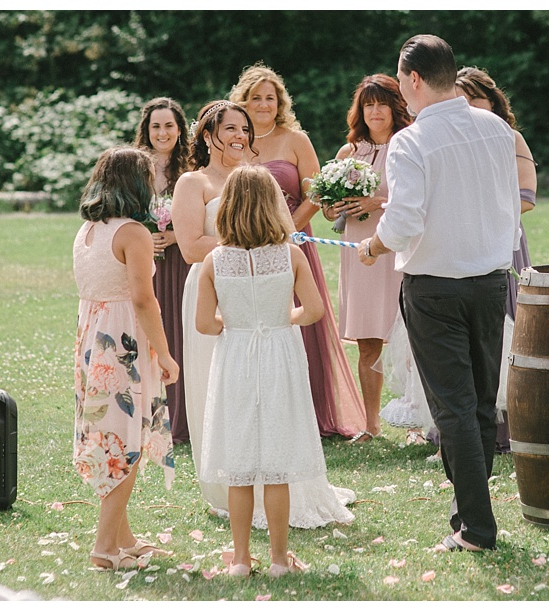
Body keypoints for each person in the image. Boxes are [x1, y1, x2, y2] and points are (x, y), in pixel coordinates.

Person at [358, 34, 520, 553]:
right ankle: (471, 517)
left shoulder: (410, 142)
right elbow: (511, 202)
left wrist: (373, 247)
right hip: (493, 281)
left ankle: (475, 527)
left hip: (435, 288)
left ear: (413, 80)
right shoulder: (495, 127)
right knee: (476, 406)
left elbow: (403, 220)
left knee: (454, 409)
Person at [175, 100, 355, 529]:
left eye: (244, 130)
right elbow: (189, 247)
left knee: (271, 393)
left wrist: (259, 258)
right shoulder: (192, 182)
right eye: (230, 129)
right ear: (206, 135)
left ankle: (280, 483)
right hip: (214, 289)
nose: (240, 136)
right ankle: (228, 484)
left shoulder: (261, 181)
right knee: (217, 388)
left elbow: (281, 234)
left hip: (264, 294)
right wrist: (243, 253)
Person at [194, 165, 334, 578]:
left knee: (240, 466)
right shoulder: (290, 255)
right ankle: (277, 560)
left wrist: (233, 324)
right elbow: (314, 310)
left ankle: (239, 560)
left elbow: (204, 323)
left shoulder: (214, 261)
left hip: (236, 356)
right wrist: (280, 318)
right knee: (276, 464)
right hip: (279, 356)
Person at [228, 64, 369, 439]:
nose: (262, 105)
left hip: (291, 241)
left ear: (280, 103)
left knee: (299, 318)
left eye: (269, 98)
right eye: (255, 98)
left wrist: (285, 229)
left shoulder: (295, 140)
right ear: (242, 101)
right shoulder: (234, 141)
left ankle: (309, 411)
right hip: (244, 244)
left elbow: (315, 192)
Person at [71, 146, 179, 570]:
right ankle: (104, 549)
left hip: (93, 338)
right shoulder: (133, 232)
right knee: (123, 442)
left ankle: (124, 537)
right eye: (150, 176)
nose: (156, 183)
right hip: (122, 342)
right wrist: (166, 353)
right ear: (135, 182)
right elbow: (142, 298)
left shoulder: (88, 230)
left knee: (108, 434)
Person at [323, 74, 412, 440]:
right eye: (368, 104)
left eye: (382, 103)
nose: (375, 111)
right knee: (367, 341)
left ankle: (415, 421)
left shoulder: (408, 145)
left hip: (398, 250)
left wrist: (378, 202)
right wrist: (336, 206)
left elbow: (416, 202)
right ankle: (372, 425)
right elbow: (327, 212)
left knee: (410, 338)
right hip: (359, 253)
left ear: (396, 106)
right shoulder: (349, 153)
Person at [456, 65, 537, 453]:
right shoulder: (449, 142)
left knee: (504, 330)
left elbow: (527, 197)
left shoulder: (511, 138)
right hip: (458, 247)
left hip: (502, 244)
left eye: (475, 98)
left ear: (492, 101)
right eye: (460, 99)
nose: (468, 106)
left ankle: (505, 426)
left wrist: (484, 214)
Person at [133, 96, 196, 445]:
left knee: (181, 333)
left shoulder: (189, 169)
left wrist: (173, 236)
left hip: (181, 262)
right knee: (149, 335)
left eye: (169, 125)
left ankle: (184, 419)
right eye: (156, 126)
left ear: (179, 129)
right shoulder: (135, 168)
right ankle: (150, 419)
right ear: (147, 129)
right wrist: (144, 236)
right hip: (144, 263)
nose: (162, 132)